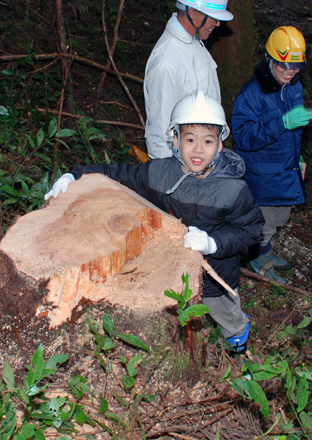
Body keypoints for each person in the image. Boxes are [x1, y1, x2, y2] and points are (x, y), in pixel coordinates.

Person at [45, 91, 264, 354]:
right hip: (168, 268)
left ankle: (239, 345)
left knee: (226, 317)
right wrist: (75, 175)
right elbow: (118, 175)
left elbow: (251, 229)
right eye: (190, 139)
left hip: (215, 276)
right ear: (175, 140)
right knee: (167, 317)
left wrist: (213, 243)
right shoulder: (158, 173)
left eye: (208, 141)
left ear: (219, 145)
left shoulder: (233, 189)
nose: (198, 149)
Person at [232, 26, 312, 284]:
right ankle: (260, 262)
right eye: (284, 65)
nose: (290, 71)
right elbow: (244, 138)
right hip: (262, 175)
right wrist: (282, 122)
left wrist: (298, 158)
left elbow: (295, 131)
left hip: (286, 169)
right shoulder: (251, 95)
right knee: (265, 223)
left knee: (282, 217)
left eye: (296, 65)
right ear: (270, 59)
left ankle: (266, 250)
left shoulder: (293, 87)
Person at [143, 0, 233, 160]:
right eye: (213, 17)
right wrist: (166, 179)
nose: (217, 23)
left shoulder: (194, 42)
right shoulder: (167, 63)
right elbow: (160, 133)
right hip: (183, 171)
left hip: (201, 162)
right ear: (192, 12)